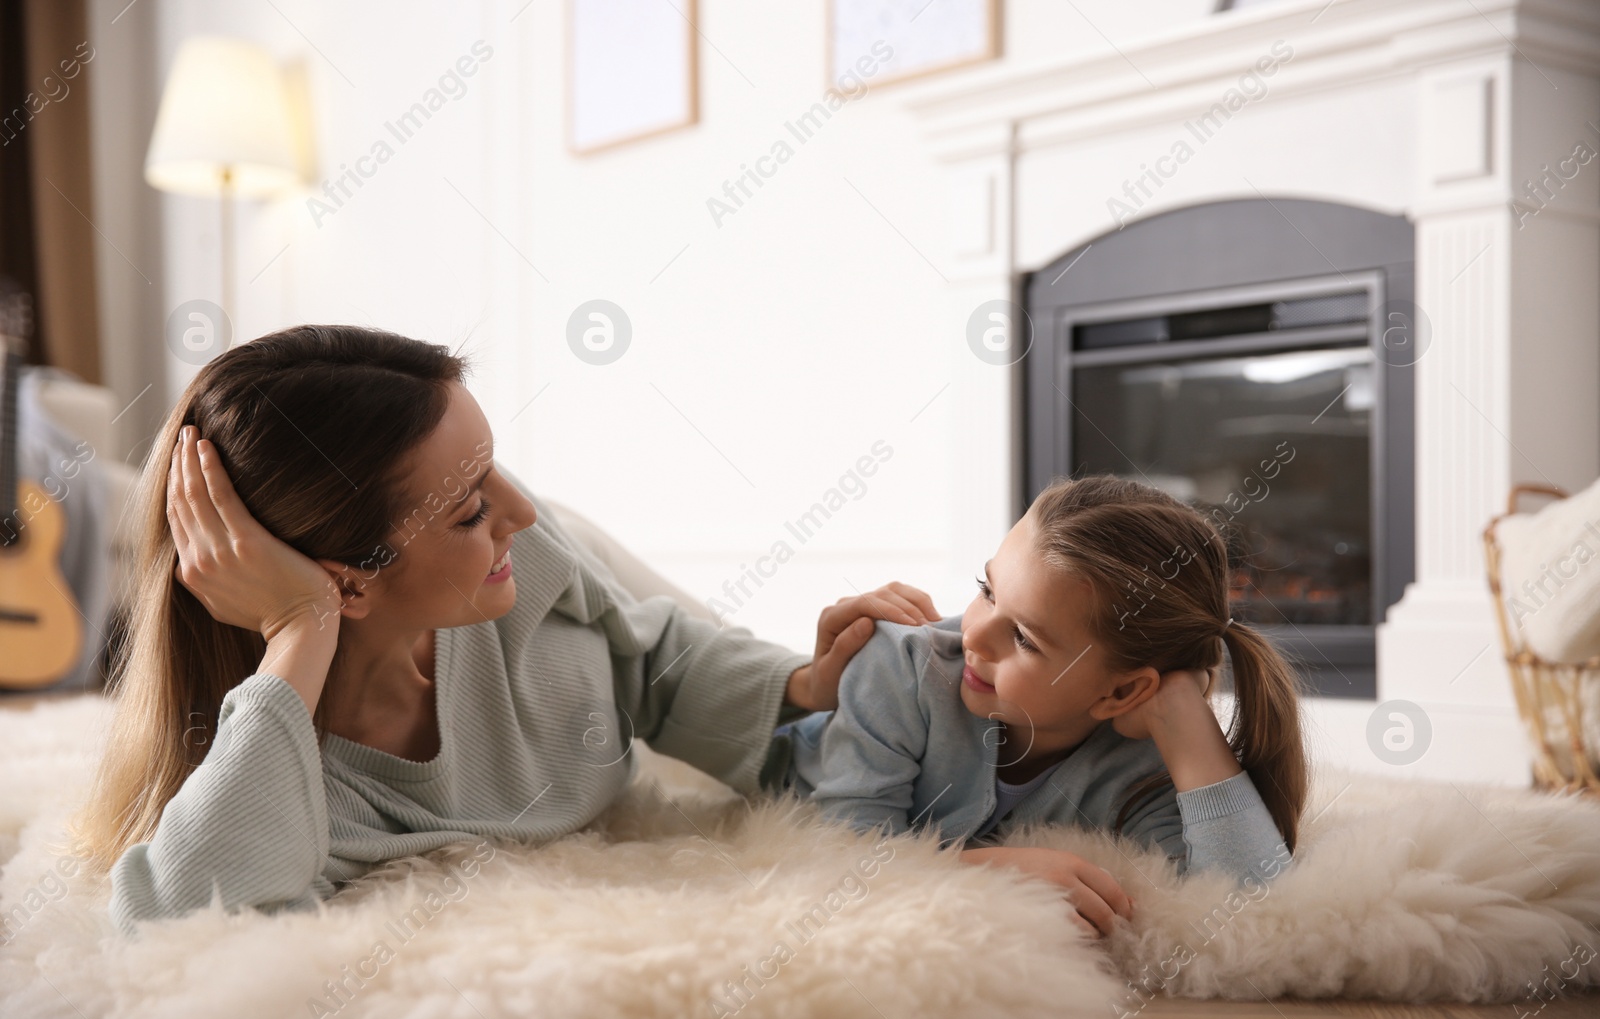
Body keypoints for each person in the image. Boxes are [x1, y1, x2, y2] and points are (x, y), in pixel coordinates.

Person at [68, 324, 940, 935]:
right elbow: (182, 931)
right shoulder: (301, 783)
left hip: (585, 575)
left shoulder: (521, 556)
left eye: (497, 470)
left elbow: (654, 658)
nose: (521, 511)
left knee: (902, 698)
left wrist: (803, 683)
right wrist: (300, 626)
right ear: (346, 582)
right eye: (473, 504)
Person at [761, 475, 1307, 937]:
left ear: (1120, 692)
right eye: (987, 589)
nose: (974, 636)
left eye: (1023, 637)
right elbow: (843, 856)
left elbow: (1253, 909)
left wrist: (1184, 717)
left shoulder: (1138, 766)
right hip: (759, 756)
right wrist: (983, 867)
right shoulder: (899, 666)